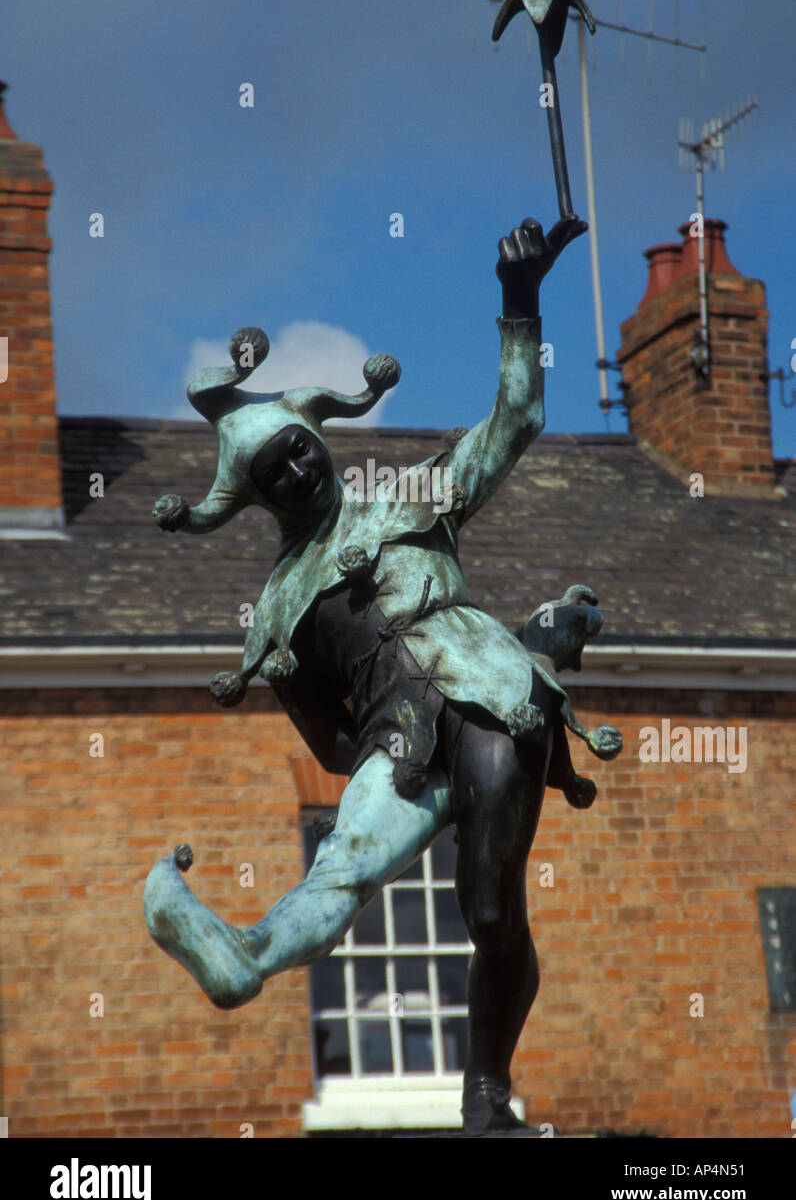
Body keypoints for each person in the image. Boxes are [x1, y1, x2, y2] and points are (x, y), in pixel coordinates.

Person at [144, 214, 621, 1133]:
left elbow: (516, 421)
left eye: (299, 452)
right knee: (337, 873)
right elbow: (325, 740)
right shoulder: (279, 606)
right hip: (392, 746)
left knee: (486, 906)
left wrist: (520, 302)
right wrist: (358, 739)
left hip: (486, 696)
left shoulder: (404, 496)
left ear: (321, 442)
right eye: (273, 476)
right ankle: (245, 953)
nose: (295, 472)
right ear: (253, 500)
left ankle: (486, 1092)